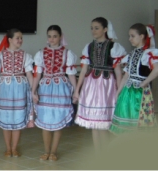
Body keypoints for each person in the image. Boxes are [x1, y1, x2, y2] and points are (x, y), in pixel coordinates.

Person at [73, 17, 127, 151]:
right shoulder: (89, 46)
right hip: (91, 85)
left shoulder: (114, 47)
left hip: (106, 86)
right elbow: (84, 69)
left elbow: (118, 72)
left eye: (96, 28)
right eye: (92, 28)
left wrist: (119, 91)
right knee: (94, 123)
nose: (93, 31)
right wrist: (77, 90)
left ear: (105, 29)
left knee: (104, 123)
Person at [0, 28, 34, 158]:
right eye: (17, 38)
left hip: (20, 90)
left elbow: (29, 75)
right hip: (4, 89)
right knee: (6, 119)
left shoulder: (26, 56)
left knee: (18, 118)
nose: (20, 40)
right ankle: (8, 148)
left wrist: (34, 91)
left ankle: (14, 148)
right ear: (10, 39)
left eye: (21, 38)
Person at [32, 25, 78, 161]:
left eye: (55, 36)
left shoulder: (67, 53)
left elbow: (71, 74)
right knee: (45, 120)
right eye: (49, 36)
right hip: (45, 88)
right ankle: (46, 151)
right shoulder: (41, 53)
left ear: (60, 37)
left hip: (60, 88)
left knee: (58, 119)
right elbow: (37, 73)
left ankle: (54, 152)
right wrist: (33, 91)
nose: (52, 39)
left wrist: (75, 90)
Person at [110, 24, 158, 134]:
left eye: (132, 36)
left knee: (138, 119)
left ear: (141, 36)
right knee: (126, 118)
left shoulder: (148, 53)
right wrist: (118, 91)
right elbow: (126, 75)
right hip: (127, 91)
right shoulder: (131, 54)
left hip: (139, 92)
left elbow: (156, 69)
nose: (129, 39)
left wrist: (145, 82)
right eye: (129, 36)